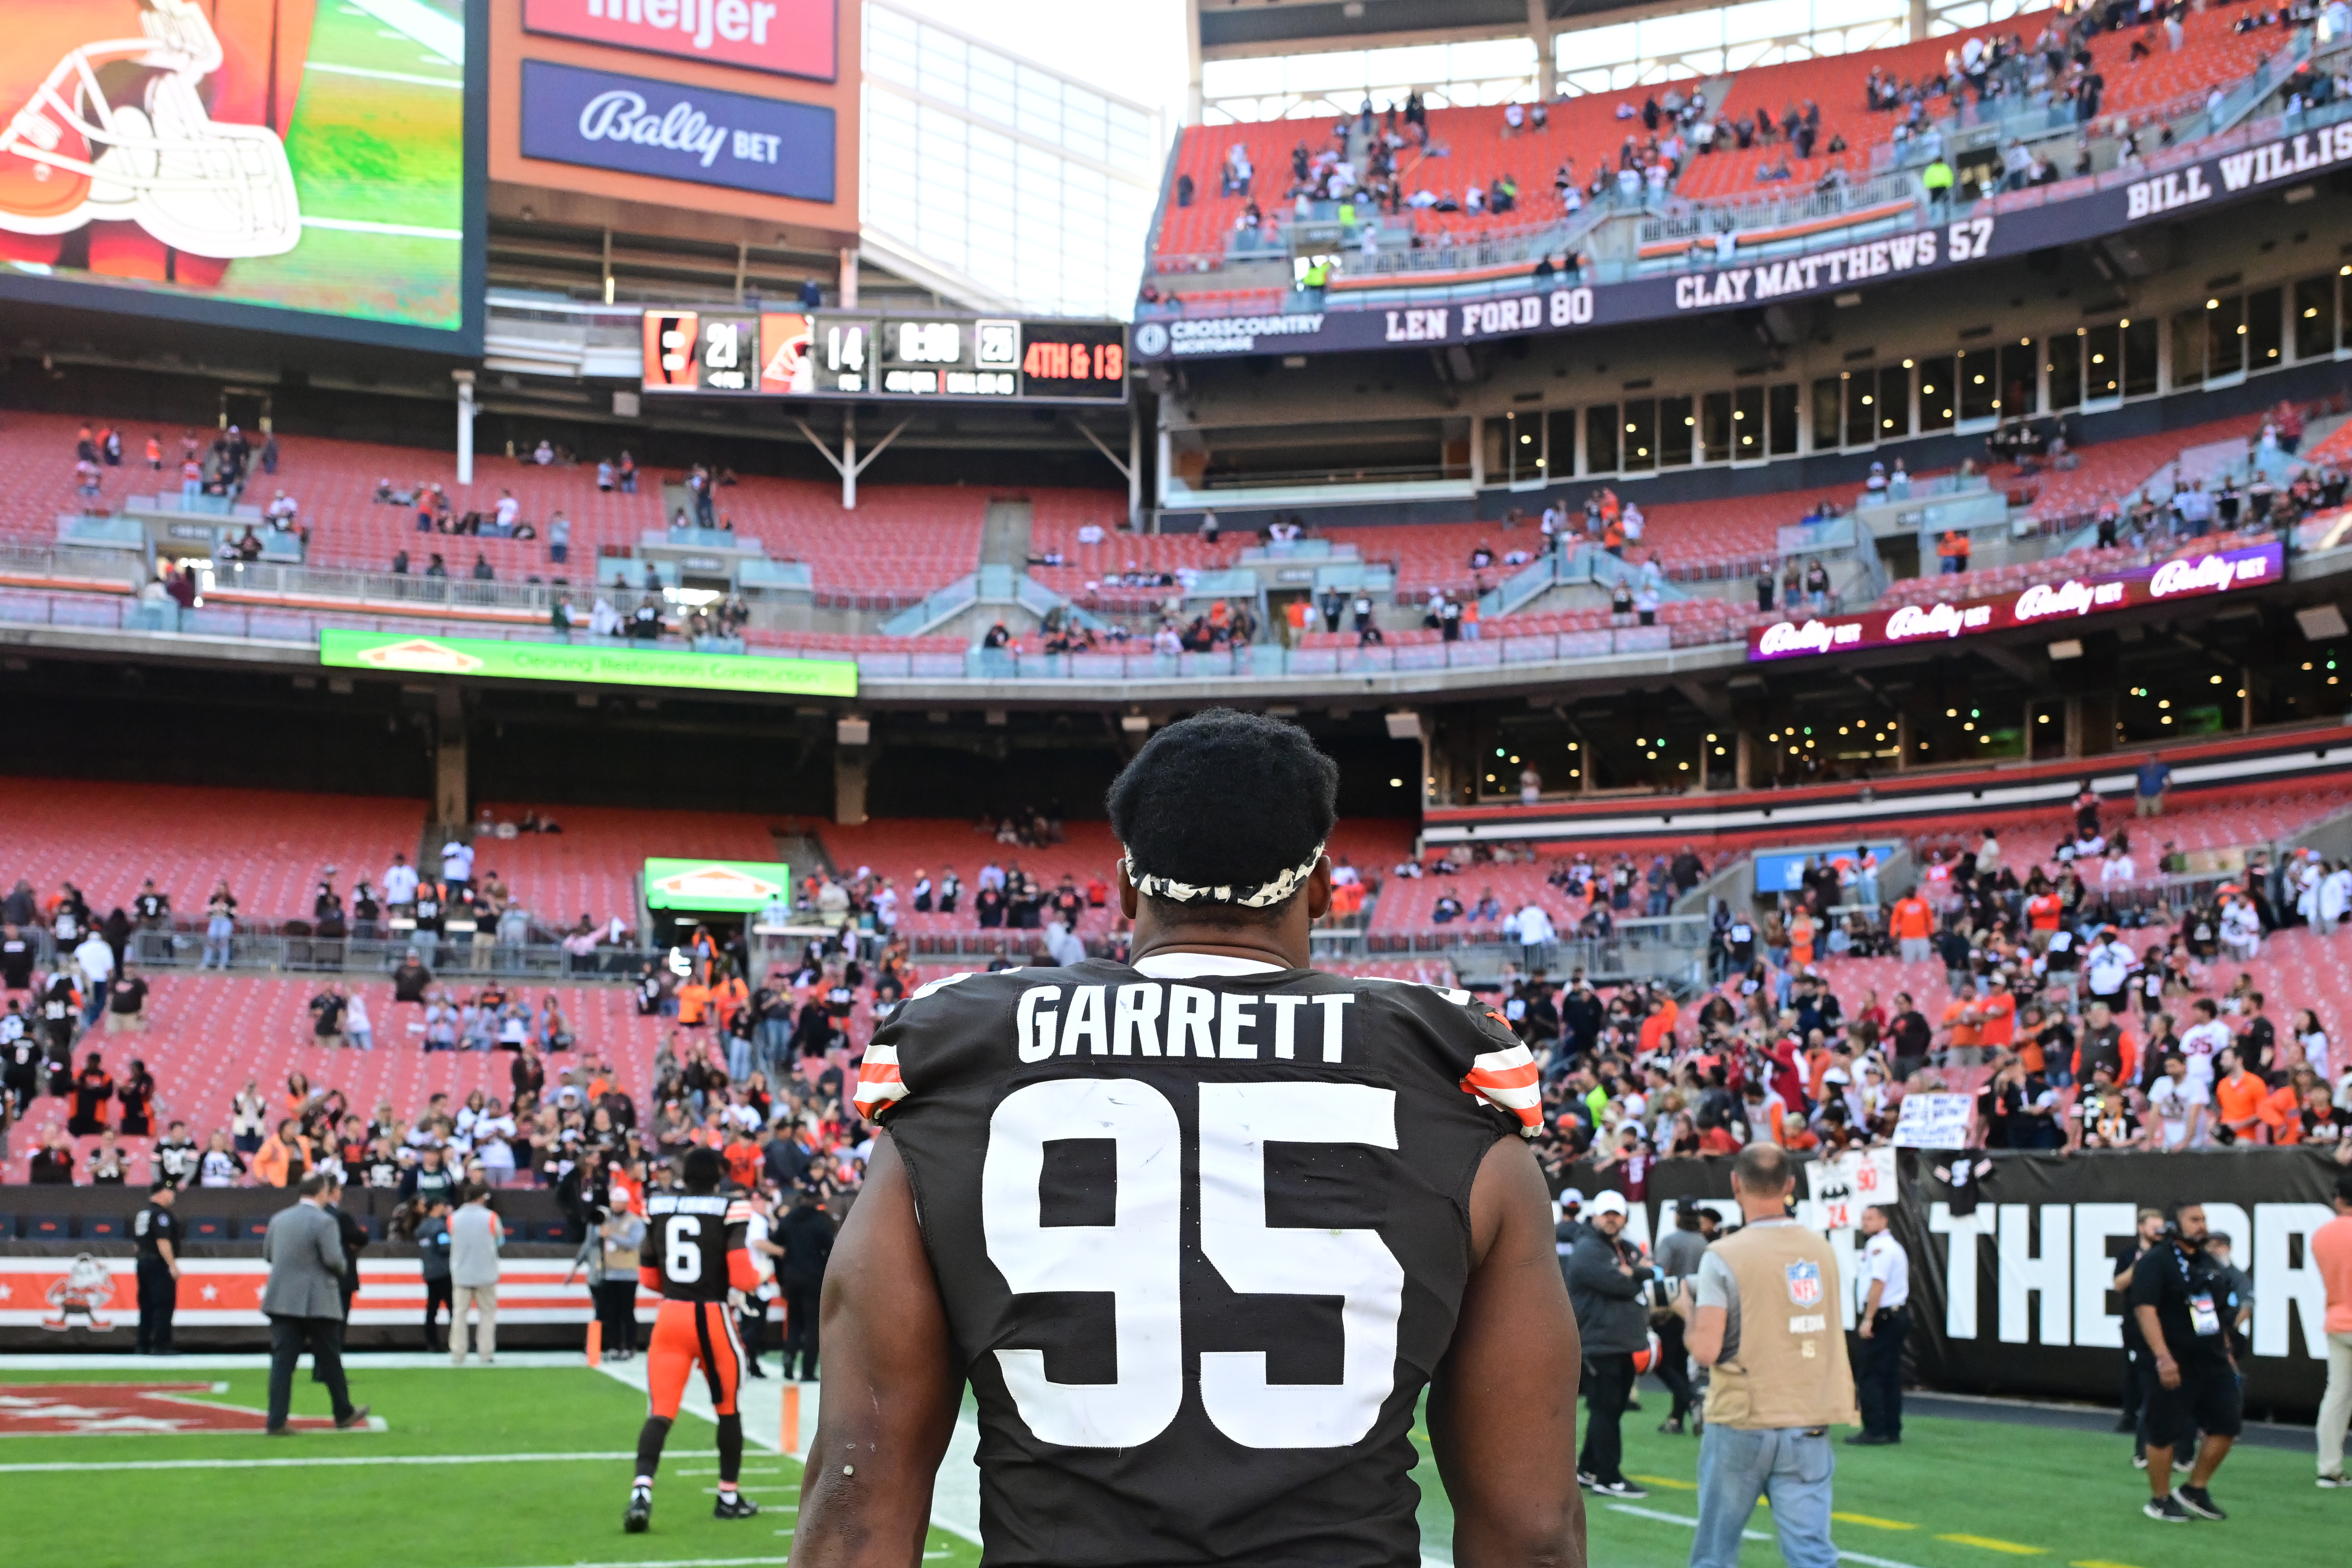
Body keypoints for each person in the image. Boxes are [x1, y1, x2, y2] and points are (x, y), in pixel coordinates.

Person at [799, 710, 1585, 1568]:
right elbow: (1531, 1534)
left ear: (1127, 888)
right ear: (1319, 887)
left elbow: (856, 1503)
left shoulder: (955, 1076)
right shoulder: (1453, 1092)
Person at [1678, 1142, 1856, 1568]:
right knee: (1812, 1552)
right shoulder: (1821, 1249)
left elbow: (1705, 1349)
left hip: (1743, 1417)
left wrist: (1685, 1311)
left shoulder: (1723, 1255)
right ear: (1790, 1185)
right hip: (1807, 1416)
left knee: (1716, 1553)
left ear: (1735, 1185)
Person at [626, 1146, 763, 1532]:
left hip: (670, 1317)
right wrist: (761, 1277)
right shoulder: (729, 1207)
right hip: (712, 1317)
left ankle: (642, 1491)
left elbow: (650, 1278)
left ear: (684, 1174)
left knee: (661, 1410)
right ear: (718, 1174)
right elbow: (740, 1276)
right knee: (728, 1407)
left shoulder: (657, 1205)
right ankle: (729, 1497)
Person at [2129, 1203, 2241, 1522]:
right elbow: (2145, 1309)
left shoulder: (2208, 1262)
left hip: (2211, 1357)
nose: (2201, 1225)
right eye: (2194, 1220)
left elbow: (2213, 1314)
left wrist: (2226, 1351)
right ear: (2174, 1225)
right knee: (2164, 1430)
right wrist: (2163, 1357)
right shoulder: (2156, 1261)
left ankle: (2195, 1488)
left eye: (2204, 1219)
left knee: (2227, 1424)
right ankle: (2160, 1498)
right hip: (2173, 1357)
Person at [261, 1172, 369, 1434]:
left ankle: (276, 1421)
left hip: (283, 1299)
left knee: (283, 1362)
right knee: (330, 1358)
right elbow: (334, 1259)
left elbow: (268, 1255)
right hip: (319, 1299)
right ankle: (343, 1412)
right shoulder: (325, 1222)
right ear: (322, 1192)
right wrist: (343, 1268)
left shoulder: (279, 1219)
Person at [1568, 1189, 1653, 1496]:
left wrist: (1638, 1271)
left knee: (1612, 1409)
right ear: (1595, 1215)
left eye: (1616, 1214)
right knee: (1606, 1409)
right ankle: (1609, 1476)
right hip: (1598, 1342)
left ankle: (1589, 1468)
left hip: (1619, 1343)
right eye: (1607, 1214)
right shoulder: (1589, 1249)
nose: (1612, 1219)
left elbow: (1651, 1270)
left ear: (1625, 1217)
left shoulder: (1623, 1248)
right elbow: (1619, 1283)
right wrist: (1634, 1274)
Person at [1849, 1203, 1909, 1445]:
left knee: (1870, 1374)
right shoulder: (1883, 1246)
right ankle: (1891, 1428)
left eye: (1871, 1219)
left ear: (1884, 1221)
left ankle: (1875, 1429)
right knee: (1889, 1374)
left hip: (1884, 1317)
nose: (1865, 1223)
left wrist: (1869, 1319)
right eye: (1863, 1218)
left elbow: (1878, 1284)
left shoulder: (1882, 1248)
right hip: (1893, 1316)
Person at [1654, 1199, 1708, 1435]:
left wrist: (1659, 1310)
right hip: (1696, 1311)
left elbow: (1661, 1274)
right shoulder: (1704, 1243)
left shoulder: (1670, 1241)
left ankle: (1692, 1400)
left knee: (1662, 1363)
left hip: (1671, 1310)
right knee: (1682, 1365)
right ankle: (1676, 1419)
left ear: (1678, 1217)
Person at [2313, 1169, 2352, 1488]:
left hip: (2337, 1320)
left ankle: (2329, 1468)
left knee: (2337, 1395)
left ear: (2338, 1199)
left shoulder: (2322, 1234)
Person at [774, 1187, 835, 1382]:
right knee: (812, 1325)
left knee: (794, 1321)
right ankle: (808, 1370)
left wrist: (781, 1277)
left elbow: (778, 1246)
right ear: (817, 1200)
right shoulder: (822, 1221)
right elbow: (831, 1252)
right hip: (814, 1278)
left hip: (791, 1276)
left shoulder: (790, 1218)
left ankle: (789, 1359)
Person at [449, 1182, 504, 1364]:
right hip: (485, 1274)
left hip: (461, 1274)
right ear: (481, 1198)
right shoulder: (491, 1217)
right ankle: (486, 1353)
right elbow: (500, 1240)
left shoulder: (453, 1218)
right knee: (487, 1314)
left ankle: (458, 1353)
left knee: (459, 1314)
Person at [133, 1179, 181, 1355]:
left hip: (143, 1261)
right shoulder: (162, 1216)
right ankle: (161, 1345)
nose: (173, 1195)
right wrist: (173, 1266)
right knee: (163, 1304)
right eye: (170, 1191)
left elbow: (137, 1244)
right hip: (158, 1264)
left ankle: (143, 1344)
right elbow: (163, 1242)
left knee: (146, 1305)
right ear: (160, 1193)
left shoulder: (143, 1214)